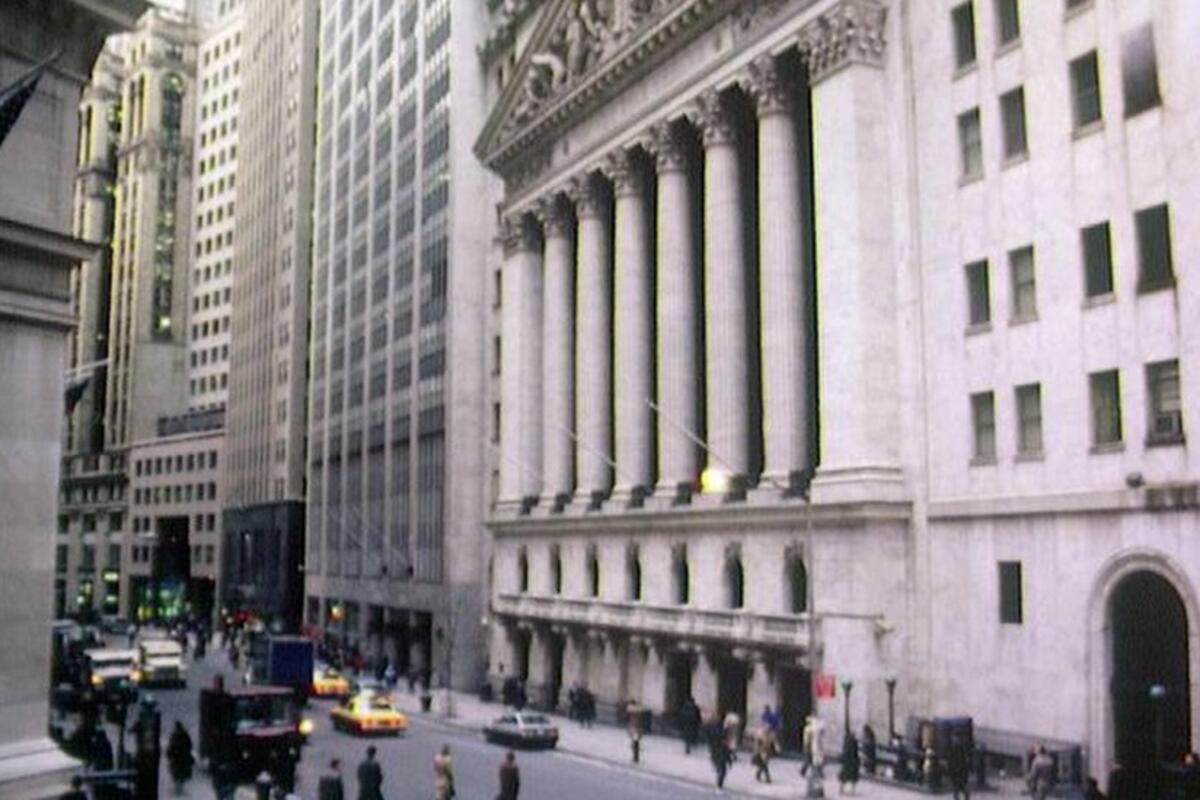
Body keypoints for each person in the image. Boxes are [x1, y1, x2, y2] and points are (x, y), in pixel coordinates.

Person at [166, 721, 195, 795]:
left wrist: (171, 753)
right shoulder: (182, 735)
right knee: (179, 774)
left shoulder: (176, 735)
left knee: (178, 774)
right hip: (180, 758)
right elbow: (189, 745)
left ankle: (179, 789)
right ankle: (179, 788)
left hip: (179, 758)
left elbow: (171, 746)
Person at [706, 714, 731, 788]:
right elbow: (724, 741)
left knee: (720, 767)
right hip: (720, 751)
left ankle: (719, 781)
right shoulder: (722, 730)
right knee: (722, 768)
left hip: (715, 750)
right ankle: (719, 783)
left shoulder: (713, 727)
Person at [626, 699, 645, 763]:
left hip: (634, 728)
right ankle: (636, 757)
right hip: (638, 728)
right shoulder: (639, 711)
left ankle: (635, 757)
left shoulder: (630, 711)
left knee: (635, 742)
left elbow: (628, 719)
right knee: (636, 742)